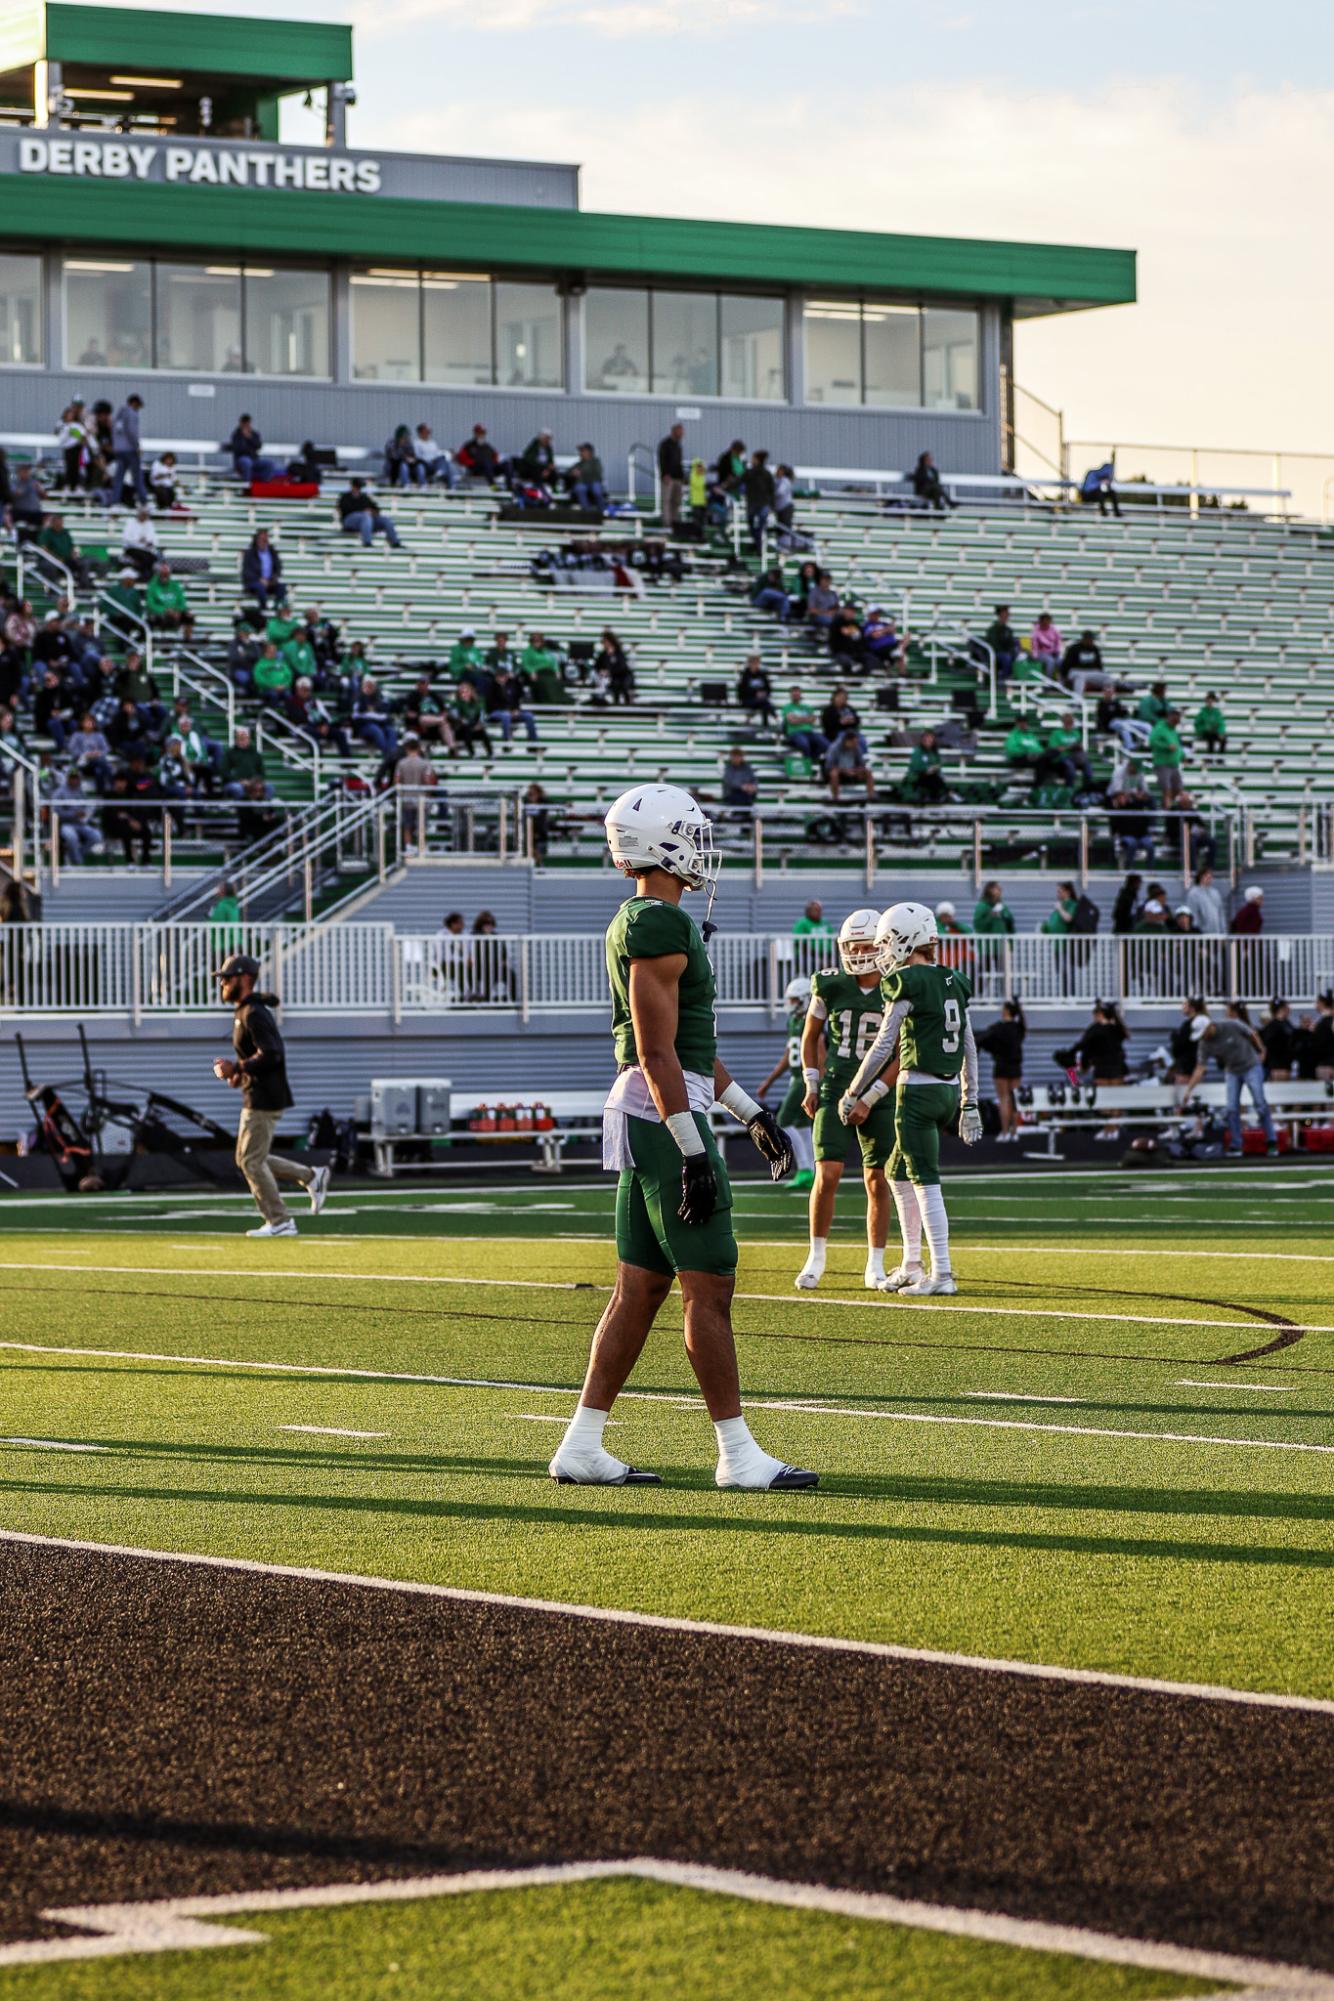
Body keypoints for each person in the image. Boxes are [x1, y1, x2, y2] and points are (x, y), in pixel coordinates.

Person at [546, 783, 815, 1491]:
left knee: (639, 1289)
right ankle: (738, 1455)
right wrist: (694, 1148)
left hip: (651, 1111)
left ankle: (582, 1443)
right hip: (664, 1118)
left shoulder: (648, 920)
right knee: (710, 1285)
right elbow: (656, 1049)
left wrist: (750, 1112)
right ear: (663, 842)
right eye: (691, 835)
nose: (701, 850)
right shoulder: (658, 924)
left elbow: (689, 1048)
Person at [842, 902, 980, 1295]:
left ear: (904, 940)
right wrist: (970, 1100)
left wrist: (854, 1091)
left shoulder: (907, 981)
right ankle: (912, 1263)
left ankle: (942, 1274)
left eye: (887, 942)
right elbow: (970, 1045)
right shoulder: (953, 979)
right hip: (948, 1090)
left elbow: (884, 1043)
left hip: (917, 1090)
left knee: (923, 1179)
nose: (883, 951)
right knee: (896, 1172)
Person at [794, 909, 898, 1292]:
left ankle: (875, 1263)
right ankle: (816, 1258)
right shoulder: (830, 983)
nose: (857, 951)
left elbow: (902, 1048)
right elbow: (810, 1037)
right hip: (837, 1085)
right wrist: (811, 1082)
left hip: (882, 1092)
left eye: (865, 944)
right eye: (852, 944)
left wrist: (871, 1096)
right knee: (828, 1174)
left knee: (877, 1179)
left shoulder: (897, 985)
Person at [212, 952, 330, 1237]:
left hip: (265, 1097)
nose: (223, 985)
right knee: (249, 1158)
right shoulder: (244, 1011)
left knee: (251, 1161)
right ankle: (312, 1176)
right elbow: (259, 1056)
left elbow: (272, 1054)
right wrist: (240, 1074)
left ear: (244, 979)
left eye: (227, 979)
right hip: (256, 1092)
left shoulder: (254, 1013)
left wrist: (237, 1066)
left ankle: (279, 1221)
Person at [1183, 1001, 1278, 1156]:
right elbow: (1200, 1068)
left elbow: (1251, 1033)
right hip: (1232, 1070)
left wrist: (1261, 1050)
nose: (1203, 1037)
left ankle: (1271, 1141)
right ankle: (1236, 1145)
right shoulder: (1204, 1044)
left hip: (1250, 1065)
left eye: (1203, 1033)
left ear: (1210, 1027)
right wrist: (1189, 1090)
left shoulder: (1231, 1025)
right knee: (1232, 1108)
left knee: (1260, 1103)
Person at [755, 974, 815, 1191]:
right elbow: (789, 1055)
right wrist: (769, 1081)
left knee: (783, 1118)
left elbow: (821, 1054)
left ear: (806, 999)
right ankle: (810, 1170)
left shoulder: (813, 1020)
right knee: (801, 1124)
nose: (791, 1005)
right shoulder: (794, 1021)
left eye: (795, 1000)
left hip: (805, 1078)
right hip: (796, 1078)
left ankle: (806, 1169)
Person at [1074, 1001, 1129, 1138]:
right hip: (1117, 1067)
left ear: (1099, 1014)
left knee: (1106, 1099)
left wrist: (1084, 1066)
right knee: (1115, 1098)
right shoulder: (1116, 1028)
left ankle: (1109, 1128)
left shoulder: (1095, 1029)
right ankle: (1113, 1128)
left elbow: (1086, 1048)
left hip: (1103, 1067)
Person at [977, 999, 1025, 1141]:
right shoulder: (1018, 1028)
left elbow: (983, 1039)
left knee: (1003, 1099)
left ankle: (1004, 1132)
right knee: (1014, 1099)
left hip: (1001, 1066)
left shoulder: (997, 1028)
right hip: (1015, 1067)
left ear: (1006, 1011)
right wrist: (1019, 1008)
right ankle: (1014, 1132)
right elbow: (1023, 1024)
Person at [338, 478, 403, 549]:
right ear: (352, 486)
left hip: (367, 521)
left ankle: (395, 542)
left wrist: (372, 512)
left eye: (359, 487)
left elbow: (376, 509)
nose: (357, 488)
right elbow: (345, 510)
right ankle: (367, 542)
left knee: (385, 520)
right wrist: (363, 511)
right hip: (349, 521)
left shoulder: (364, 497)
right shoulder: (345, 497)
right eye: (356, 486)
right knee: (366, 516)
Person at [824, 719, 875, 804]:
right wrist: (845, 771)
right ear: (847, 741)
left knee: (868, 771)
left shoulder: (856, 748)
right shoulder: (834, 748)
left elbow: (861, 764)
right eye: (854, 742)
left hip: (852, 770)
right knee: (834, 773)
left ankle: (870, 796)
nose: (856, 744)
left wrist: (856, 770)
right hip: (839, 771)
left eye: (856, 742)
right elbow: (829, 766)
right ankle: (835, 798)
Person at [109, 393, 146, 506]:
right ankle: (143, 500)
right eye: (138, 406)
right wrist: (137, 446)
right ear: (134, 403)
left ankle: (114, 501)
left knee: (119, 477)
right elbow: (132, 432)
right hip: (130, 449)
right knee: (137, 476)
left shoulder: (119, 415)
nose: (138, 409)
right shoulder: (131, 414)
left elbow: (115, 432)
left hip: (119, 450)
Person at [145, 561, 194, 643]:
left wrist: (178, 610)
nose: (164, 575)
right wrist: (165, 610)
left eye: (166, 573)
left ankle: (187, 640)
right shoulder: (152, 585)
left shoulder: (175, 585)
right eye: (162, 573)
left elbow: (182, 602)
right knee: (152, 618)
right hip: (160, 614)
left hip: (175, 613)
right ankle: (152, 641)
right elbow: (150, 604)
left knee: (189, 616)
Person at [780, 687, 827, 768]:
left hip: (809, 732)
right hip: (794, 732)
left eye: (797, 693)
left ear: (800, 694)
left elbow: (813, 719)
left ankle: (812, 759)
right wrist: (806, 719)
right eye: (793, 693)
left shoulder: (807, 707)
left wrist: (797, 718)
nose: (795, 695)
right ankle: (808, 766)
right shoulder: (787, 707)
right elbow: (792, 721)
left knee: (826, 745)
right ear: (790, 695)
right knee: (804, 744)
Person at [1149, 706, 1185, 805]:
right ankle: (1167, 812)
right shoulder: (1160, 728)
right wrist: (1166, 746)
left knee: (1178, 789)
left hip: (1174, 765)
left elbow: (1177, 746)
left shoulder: (1173, 730)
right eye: (1175, 717)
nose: (1176, 721)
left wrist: (1182, 755)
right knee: (1167, 789)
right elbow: (1152, 742)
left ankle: (1171, 808)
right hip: (1163, 764)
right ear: (1169, 716)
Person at [241, 530, 285, 610]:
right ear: (256, 540)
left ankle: (277, 607)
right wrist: (259, 579)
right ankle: (264, 608)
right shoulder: (249, 553)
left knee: (281, 586)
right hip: (254, 582)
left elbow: (278, 568)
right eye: (262, 539)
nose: (264, 542)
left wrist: (273, 579)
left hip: (269, 582)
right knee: (259, 587)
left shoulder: (272, 552)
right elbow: (246, 572)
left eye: (266, 539)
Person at [228, 415, 277, 485]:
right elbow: (237, 449)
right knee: (247, 462)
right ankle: (246, 485)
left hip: (254, 459)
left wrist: (249, 437)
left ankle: (264, 485)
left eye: (247, 422)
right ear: (240, 423)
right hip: (241, 459)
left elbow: (258, 445)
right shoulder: (236, 435)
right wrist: (246, 443)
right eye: (244, 422)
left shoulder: (254, 434)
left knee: (270, 464)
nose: (246, 424)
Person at [904, 728, 947, 805]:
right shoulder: (918, 751)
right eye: (926, 738)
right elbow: (916, 767)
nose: (928, 740)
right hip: (917, 777)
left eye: (930, 738)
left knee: (936, 779)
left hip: (931, 777)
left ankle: (936, 796)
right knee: (933, 779)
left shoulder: (934, 753)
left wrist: (934, 769)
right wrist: (927, 769)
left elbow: (938, 765)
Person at [120, 505, 159, 580]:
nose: (144, 516)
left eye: (146, 514)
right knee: (148, 559)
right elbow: (126, 539)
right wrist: (139, 541)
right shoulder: (130, 522)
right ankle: (144, 577)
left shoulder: (149, 524)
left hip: (145, 551)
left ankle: (143, 577)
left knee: (151, 558)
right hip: (132, 550)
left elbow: (154, 541)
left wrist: (143, 542)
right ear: (139, 514)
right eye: (143, 514)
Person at [658, 423, 685, 532]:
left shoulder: (678, 445)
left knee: (676, 501)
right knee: (667, 500)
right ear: (674, 431)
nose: (682, 434)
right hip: (668, 477)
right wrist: (665, 474)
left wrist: (682, 476)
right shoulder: (665, 444)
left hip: (678, 478)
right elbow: (662, 460)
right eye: (680, 431)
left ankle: (674, 521)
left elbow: (679, 462)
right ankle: (667, 523)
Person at [1260, 999, 1296, 1081]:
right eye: (1287, 1007)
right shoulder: (1273, 1025)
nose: (1289, 1009)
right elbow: (1267, 1044)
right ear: (1281, 1009)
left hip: (1287, 1064)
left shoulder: (1287, 1023)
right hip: (1277, 1066)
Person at [982, 606, 1021, 682]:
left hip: (1007, 653)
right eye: (1004, 614)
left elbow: (1011, 644)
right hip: (995, 653)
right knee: (1006, 657)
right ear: (999, 615)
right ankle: (1005, 678)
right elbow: (993, 645)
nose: (1006, 616)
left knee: (1020, 656)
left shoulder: (1009, 630)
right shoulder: (992, 629)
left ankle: (1016, 678)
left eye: (1007, 614)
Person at [736, 655, 776, 727]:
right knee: (765, 703)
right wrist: (755, 694)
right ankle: (776, 718)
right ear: (749, 663)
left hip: (761, 701)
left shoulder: (762, 674)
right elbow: (741, 692)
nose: (754, 664)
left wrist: (764, 693)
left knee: (765, 705)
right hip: (747, 700)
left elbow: (768, 689)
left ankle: (765, 727)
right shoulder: (744, 675)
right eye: (752, 662)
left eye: (756, 662)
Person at [1186, 866, 1226, 936]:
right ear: (1200, 877)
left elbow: (1220, 913)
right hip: (1201, 933)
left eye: (1210, 877)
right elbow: (1193, 913)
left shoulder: (1215, 892)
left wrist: (1223, 932)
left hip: (1216, 933)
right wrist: (1196, 931)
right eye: (1206, 876)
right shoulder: (1193, 893)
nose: (1209, 878)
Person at [720, 745, 758, 813]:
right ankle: (741, 816)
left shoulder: (747, 767)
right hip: (731, 794)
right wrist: (742, 787)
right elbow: (729, 782)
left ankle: (743, 816)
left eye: (738, 756)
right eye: (734, 756)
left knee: (747, 796)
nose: (736, 758)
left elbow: (753, 780)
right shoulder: (729, 768)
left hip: (746, 794)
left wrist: (753, 786)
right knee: (741, 797)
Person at [569, 443, 607, 510]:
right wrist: (572, 473)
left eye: (583, 451)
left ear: (589, 452)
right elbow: (569, 471)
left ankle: (603, 510)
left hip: (594, 482)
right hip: (582, 483)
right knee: (580, 488)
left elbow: (597, 473)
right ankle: (587, 510)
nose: (581, 453)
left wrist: (581, 473)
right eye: (581, 451)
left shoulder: (596, 462)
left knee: (597, 489)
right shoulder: (579, 463)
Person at [1194, 692, 1227, 757]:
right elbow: (1197, 724)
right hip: (1205, 733)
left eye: (1211, 701)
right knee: (1210, 737)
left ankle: (1220, 757)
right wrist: (1205, 728)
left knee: (1224, 738)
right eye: (1208, 701)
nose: (1210, 703)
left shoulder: (1217, 712)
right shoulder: (1202, 712)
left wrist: (1220, 732)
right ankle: (1210, 757)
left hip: (1215, 732)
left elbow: (1221, 723)